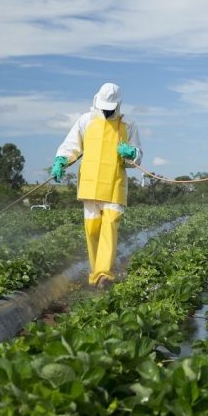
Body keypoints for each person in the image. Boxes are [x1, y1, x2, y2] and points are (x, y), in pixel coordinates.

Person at [50, 83, 142, 288]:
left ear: (118, 105)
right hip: (90, 184)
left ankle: (104, 275)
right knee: (92, 230)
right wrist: (60, 161)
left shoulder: (128, 125)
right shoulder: (86, 120)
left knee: (109, 226)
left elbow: (137, 157)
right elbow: (71, 145)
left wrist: (131, 154)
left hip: (114, 183)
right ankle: (95, 275)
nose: (107, 110)